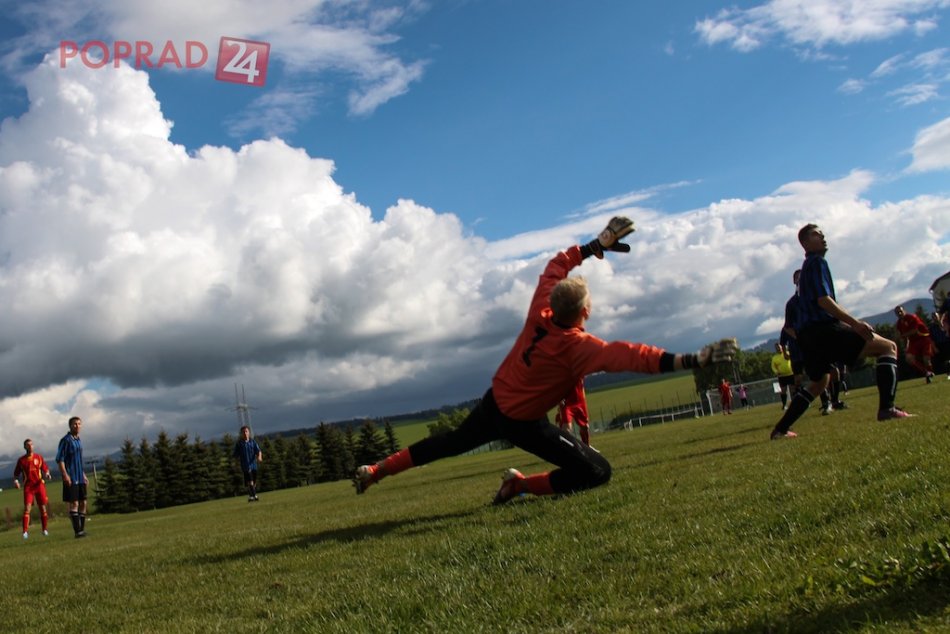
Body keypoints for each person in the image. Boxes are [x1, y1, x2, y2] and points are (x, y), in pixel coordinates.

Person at [351, 217, 738, 504]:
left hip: (495, 401)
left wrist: (596, 244)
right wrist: (693, 359)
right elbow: (635, 357)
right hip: (523, 422)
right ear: (585, 312)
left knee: (448, 443)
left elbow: (556, 266)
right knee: (596, 471)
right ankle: (519, 485)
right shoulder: (578, 347)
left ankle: (378, 470)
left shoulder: (542, 307)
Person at [770, 224, 912, 440]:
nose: (823, 237)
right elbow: (823, 300)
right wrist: (855, 323)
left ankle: (780, 430)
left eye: (822, 234)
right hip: (824, 330)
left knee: (819, 382)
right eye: (817, 234)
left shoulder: (806, 270)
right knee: (888, 347)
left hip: (809, 336)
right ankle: (887, 409)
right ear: (805, 243)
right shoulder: (817, 262)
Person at [56, 416, 88, 538]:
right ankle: (77, 532)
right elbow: (60, 459)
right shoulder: (65, 440)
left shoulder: (78, 440)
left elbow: (78, 460)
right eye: (75, 424)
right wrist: (65, 474)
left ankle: (82, 530)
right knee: (74, 503)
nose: (77, 426)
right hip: (71, 476)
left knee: (83, 502)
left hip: (80, 476)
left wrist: (83, 474)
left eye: (79, 424)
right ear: (70, 426)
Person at [13, 438, 52, 539]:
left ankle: (45, 530)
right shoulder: (21, 460)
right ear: (25, 447)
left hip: (39, 485)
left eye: (31, 444)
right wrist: (16, 482)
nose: (30, 446)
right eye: (28, 445)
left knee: (42, 508)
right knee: (27, 508)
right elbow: (16, 474)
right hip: (28, 487)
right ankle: (25, 532)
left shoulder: (39, 457)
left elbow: (45, 469)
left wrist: (47, 474)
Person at [894, 305, 936, 383]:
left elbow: (914, 330)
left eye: (901, 311)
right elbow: (905, 337)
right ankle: (926, 373)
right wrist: (906, 346)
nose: (899, 313)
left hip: (924, 339)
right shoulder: (899, 324)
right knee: (909, 358)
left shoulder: (912, 317)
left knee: (926, 360)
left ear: (904, 311)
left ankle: (930, 372)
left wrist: (901, 336)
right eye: (897, 312)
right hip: (913, 342)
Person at [557, 379, 593, 447]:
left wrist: (583, 399)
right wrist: (559, 399)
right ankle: (565, 448)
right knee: (566, 429)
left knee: (585, 427)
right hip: (567, 404)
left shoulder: (579, 373)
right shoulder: (561, 374)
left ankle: (587, 447)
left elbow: (581, 385)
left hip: (580, 402)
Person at [233, 425, 263, 502]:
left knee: (254, 482)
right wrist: (236, 464)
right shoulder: (239, 444)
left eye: (246, 431)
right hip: (245, 466)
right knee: (250, 480)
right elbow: (235, 455)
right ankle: (255, 495)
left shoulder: (252, 442)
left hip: (254, 465)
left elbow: (258, 451)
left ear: (249, 432)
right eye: (243, 432)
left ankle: (251, 496)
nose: (245, 433)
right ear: (241, 434)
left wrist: (259, 457)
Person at [770, 343, 794, 409]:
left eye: (779, 347)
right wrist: (776, 372)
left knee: (793, 390)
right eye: (777, 348)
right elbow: (773, 366)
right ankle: (784, 405)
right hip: (782, 376)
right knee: (783, 391)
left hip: (791, 374)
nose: (778, 349)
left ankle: (795, 403)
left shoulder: (788, 353)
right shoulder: (775, 357)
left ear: (782, 347)